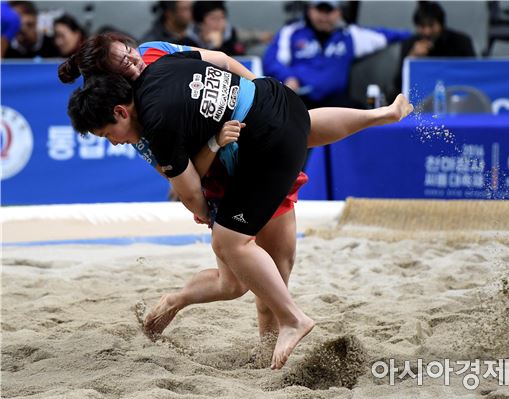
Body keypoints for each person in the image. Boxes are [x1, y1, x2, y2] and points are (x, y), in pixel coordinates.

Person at [60, 35, 413, 369]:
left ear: (119, 110)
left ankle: (274, 344)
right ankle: (183, 304)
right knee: (236, 281)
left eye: (129, 52)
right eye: (124, 63)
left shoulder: (153, 65)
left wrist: (250, 97)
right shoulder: (147, 109)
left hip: (259, 149)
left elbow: (189, 187)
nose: (134, 61)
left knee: (266, 269)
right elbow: (185, 183)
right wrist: (223, 133)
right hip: (244, 153)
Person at [263, 0, 410, 109]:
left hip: (335, 103)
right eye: (320, 10)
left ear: (338, 12)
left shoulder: (350, 35)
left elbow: (387, 36)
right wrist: (288, 77)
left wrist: (415, 39)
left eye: (329, 10)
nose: (324, 16)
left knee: (361, 113)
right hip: (299, 100)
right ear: (310, 10)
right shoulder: (291, 32)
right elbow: (271, 61)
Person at [394, 1, 476, 95]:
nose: (427, 32)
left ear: (441, 25)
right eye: (422, 26)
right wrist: (412, 58)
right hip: (421, 96)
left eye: (431, 25)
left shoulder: (461, 42)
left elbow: (473, 75)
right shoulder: (409, 44)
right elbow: (398, 85)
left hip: (456, 94)